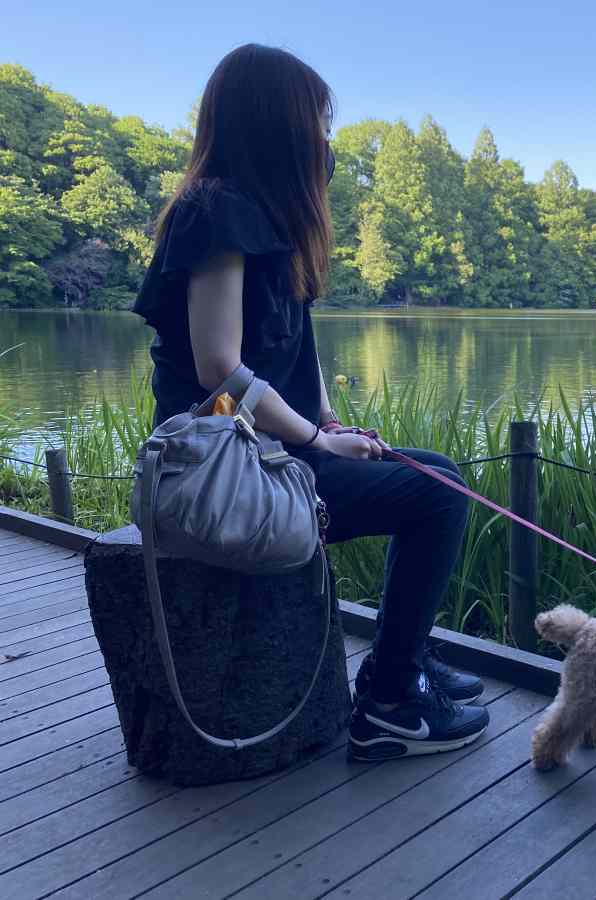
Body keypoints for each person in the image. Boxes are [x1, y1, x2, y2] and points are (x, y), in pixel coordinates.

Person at [133, 43, 489, 761]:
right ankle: (388, 705)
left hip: (278, 451)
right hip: (228, 466)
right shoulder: (216, 216)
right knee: (439, 500)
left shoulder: (269, 223)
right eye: (318, 121)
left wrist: (326, 421)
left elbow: (297, 348)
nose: (326, 140)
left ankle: (402, 659)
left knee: (441, 472)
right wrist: (317, 443)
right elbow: (217, 370)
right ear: (279, 124)